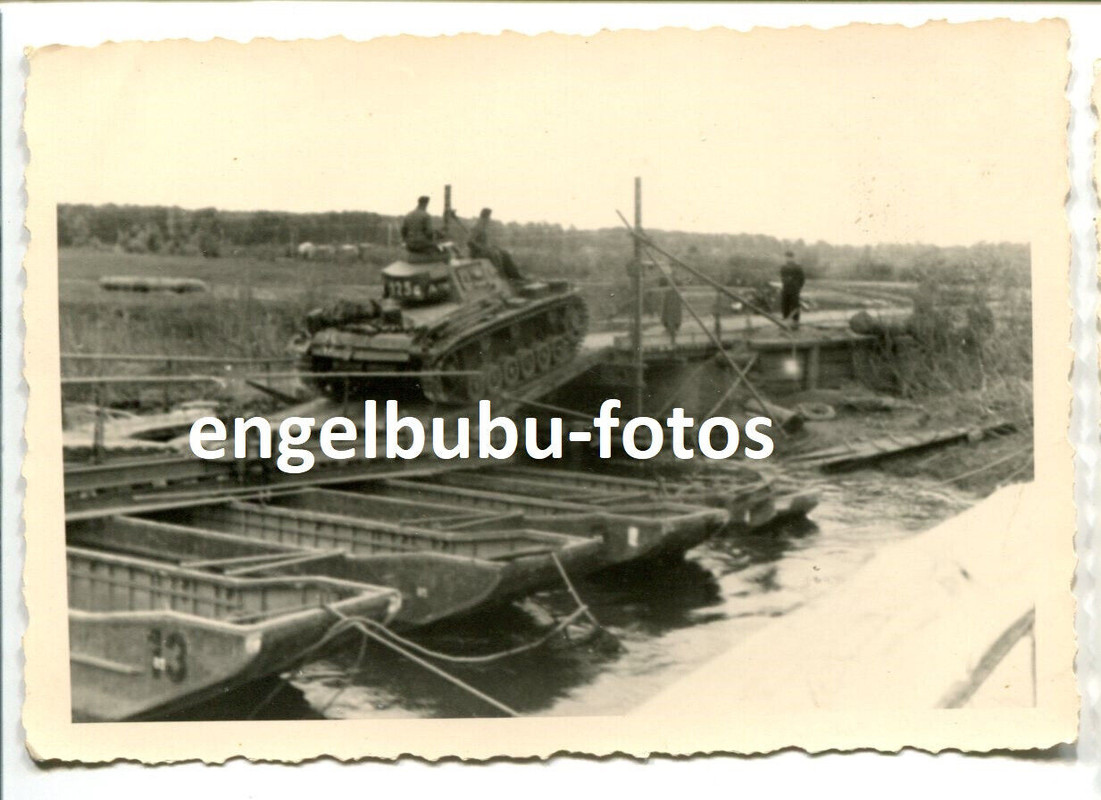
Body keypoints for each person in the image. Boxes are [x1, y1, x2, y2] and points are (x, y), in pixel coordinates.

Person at [468, 208, 523, 281]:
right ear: (484, 217)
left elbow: (484, 242)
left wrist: (491, 247)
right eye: (488, 217)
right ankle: (501, 277)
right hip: (477, 253)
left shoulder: (483, 226)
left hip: (484, 251)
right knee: (495, 255)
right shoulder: (477, 227)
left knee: (504, 253)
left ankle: (515, 276)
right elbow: (470, 241)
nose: (489, 219)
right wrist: (482, 249)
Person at [779, 250, 806, 330]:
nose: (788, 259)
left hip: (794, 289)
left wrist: (797, 287)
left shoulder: (797, 267)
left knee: (795, 306)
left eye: (790, 257)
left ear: (793, 258)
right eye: (787, 257)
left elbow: (802, 279)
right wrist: (785, 283)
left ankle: (795, 324)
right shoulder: (783, 267)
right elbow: (782, 277)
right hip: (785, 289)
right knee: (785, 305)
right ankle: (785, 323)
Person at [659, 276, 682, 345]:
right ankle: (672, 332)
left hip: (673, 299)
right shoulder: (668, 293)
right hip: (671, 298)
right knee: (669, 314)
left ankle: (672, 333)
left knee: (672, 315)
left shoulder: (671, 293)